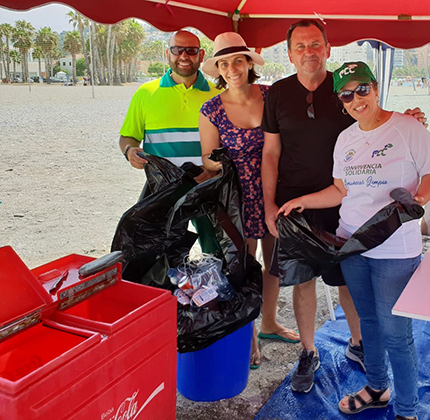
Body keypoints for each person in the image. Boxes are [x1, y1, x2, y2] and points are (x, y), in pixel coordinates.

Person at [261, 19, 427, 394]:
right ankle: (308, 351)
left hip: (346, 201)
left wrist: (410, 119)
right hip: (296, 205)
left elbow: (374, 117)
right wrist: (270, 204)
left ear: (328, 49)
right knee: (301, 281)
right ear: (289, 54)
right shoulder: (277, 94)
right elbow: (270, 153)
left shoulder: (343, 87)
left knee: (348, 282)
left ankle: (358, 343)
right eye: (300, 46)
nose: (308, 52)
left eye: (315, 44)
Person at [278, 61, 430, 420]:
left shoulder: (407, 128)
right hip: (351, 245)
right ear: (342, 101)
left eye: (362, 89)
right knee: (368, 322)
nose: (356, 99)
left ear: (375, 87)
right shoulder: (346, 139)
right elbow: (340, 190)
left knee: (397, 335)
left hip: (395, 249)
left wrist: (417, 202)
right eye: (347, 94)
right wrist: (302, 201)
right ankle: (376, 387)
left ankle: (407, 410)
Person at [199, 32, 299, 370]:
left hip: (276, 189)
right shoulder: (212, 108)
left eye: (237, 61)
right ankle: (248, 331)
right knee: (242, 265)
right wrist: (226, 159)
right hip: (236, 195)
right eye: (224, 64)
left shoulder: (272, 95)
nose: (231, 69)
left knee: (274, 261)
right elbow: (207, 161)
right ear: (219, 70)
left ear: (247, 64)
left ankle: (269, 322)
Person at [118, 30, 221, 254]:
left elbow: (230, 145)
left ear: (201, 55)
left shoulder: (218, 94)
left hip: (207, 187)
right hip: (163, 190)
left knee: (217, 253)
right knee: (158, 254)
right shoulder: (146, 93)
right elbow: (128, 136)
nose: (184, 55)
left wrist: (214, 171)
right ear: (168, 54)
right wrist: (129, 151)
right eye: (177, 50)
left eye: (191, 50)